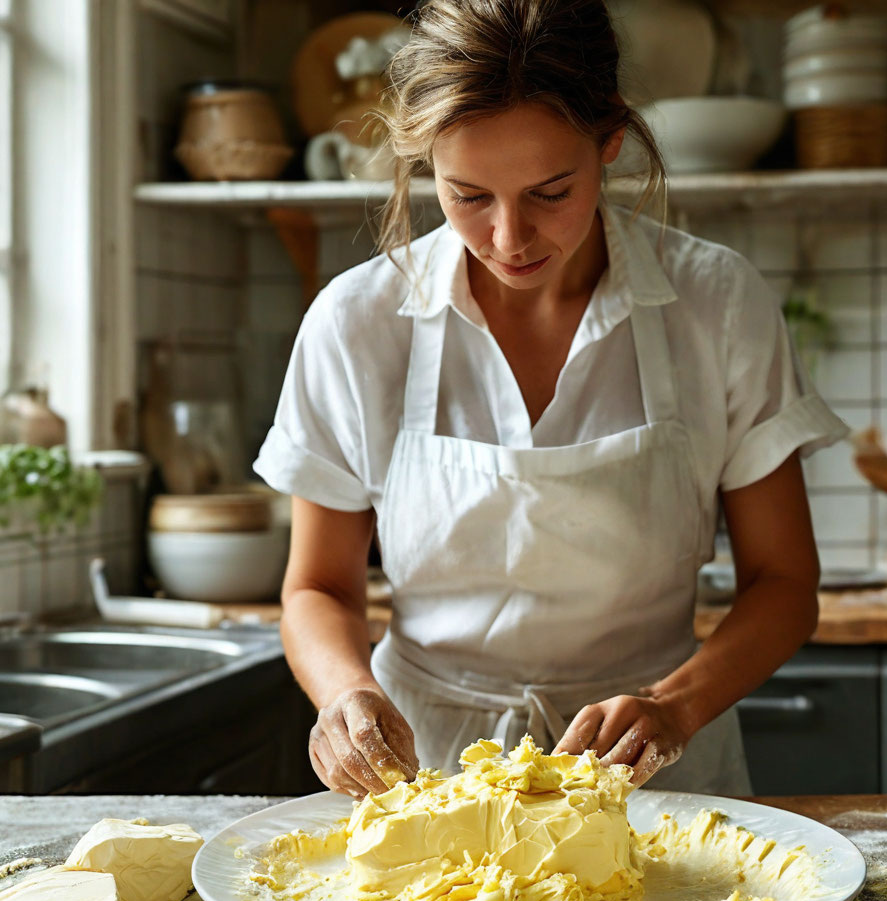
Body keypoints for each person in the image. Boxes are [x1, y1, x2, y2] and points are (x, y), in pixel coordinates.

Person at [254, 0, 848, 800]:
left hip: (654, 777)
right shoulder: (356, 322)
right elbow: (317, 588)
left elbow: (783, 584)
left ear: (610, 145)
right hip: (424, 775)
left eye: (551, 191)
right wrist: (345, 695)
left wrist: (672, 709)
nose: (509, 238)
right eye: (468, 196)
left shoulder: (716, 304)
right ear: (427, 162)